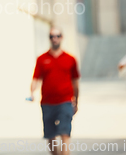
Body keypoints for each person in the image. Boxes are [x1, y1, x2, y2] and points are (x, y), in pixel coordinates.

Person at [30, 27, 80, 155]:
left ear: (61, 37)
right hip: (47, 102)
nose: (55, 39)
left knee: (65, 133)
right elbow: (35, 79)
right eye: (52, 36)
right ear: (49, 39)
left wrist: (76, 101)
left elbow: (75, 82)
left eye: (57, 36)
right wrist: (32, 92)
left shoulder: (70, 59)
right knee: (50, 136)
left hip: (65, 101)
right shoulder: (41, 59)